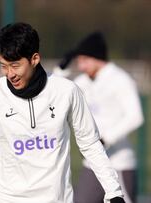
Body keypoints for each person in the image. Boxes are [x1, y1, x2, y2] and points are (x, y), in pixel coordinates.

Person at [0, 22, 126, 203]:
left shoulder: (67, 92)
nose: (9, 74)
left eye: (15, 65)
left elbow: (91, 145)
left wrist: (113, 192)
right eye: (3, 66)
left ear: (35, 59)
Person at [55, 32, 144, 203]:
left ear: (96, 58)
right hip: (93, 164)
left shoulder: (120, 80)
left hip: (119, 164)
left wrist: (105, 139)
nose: (80, 66)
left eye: (83, 60)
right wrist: (61, 69)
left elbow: (135, 116)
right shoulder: (83, 81)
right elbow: (55, 93)